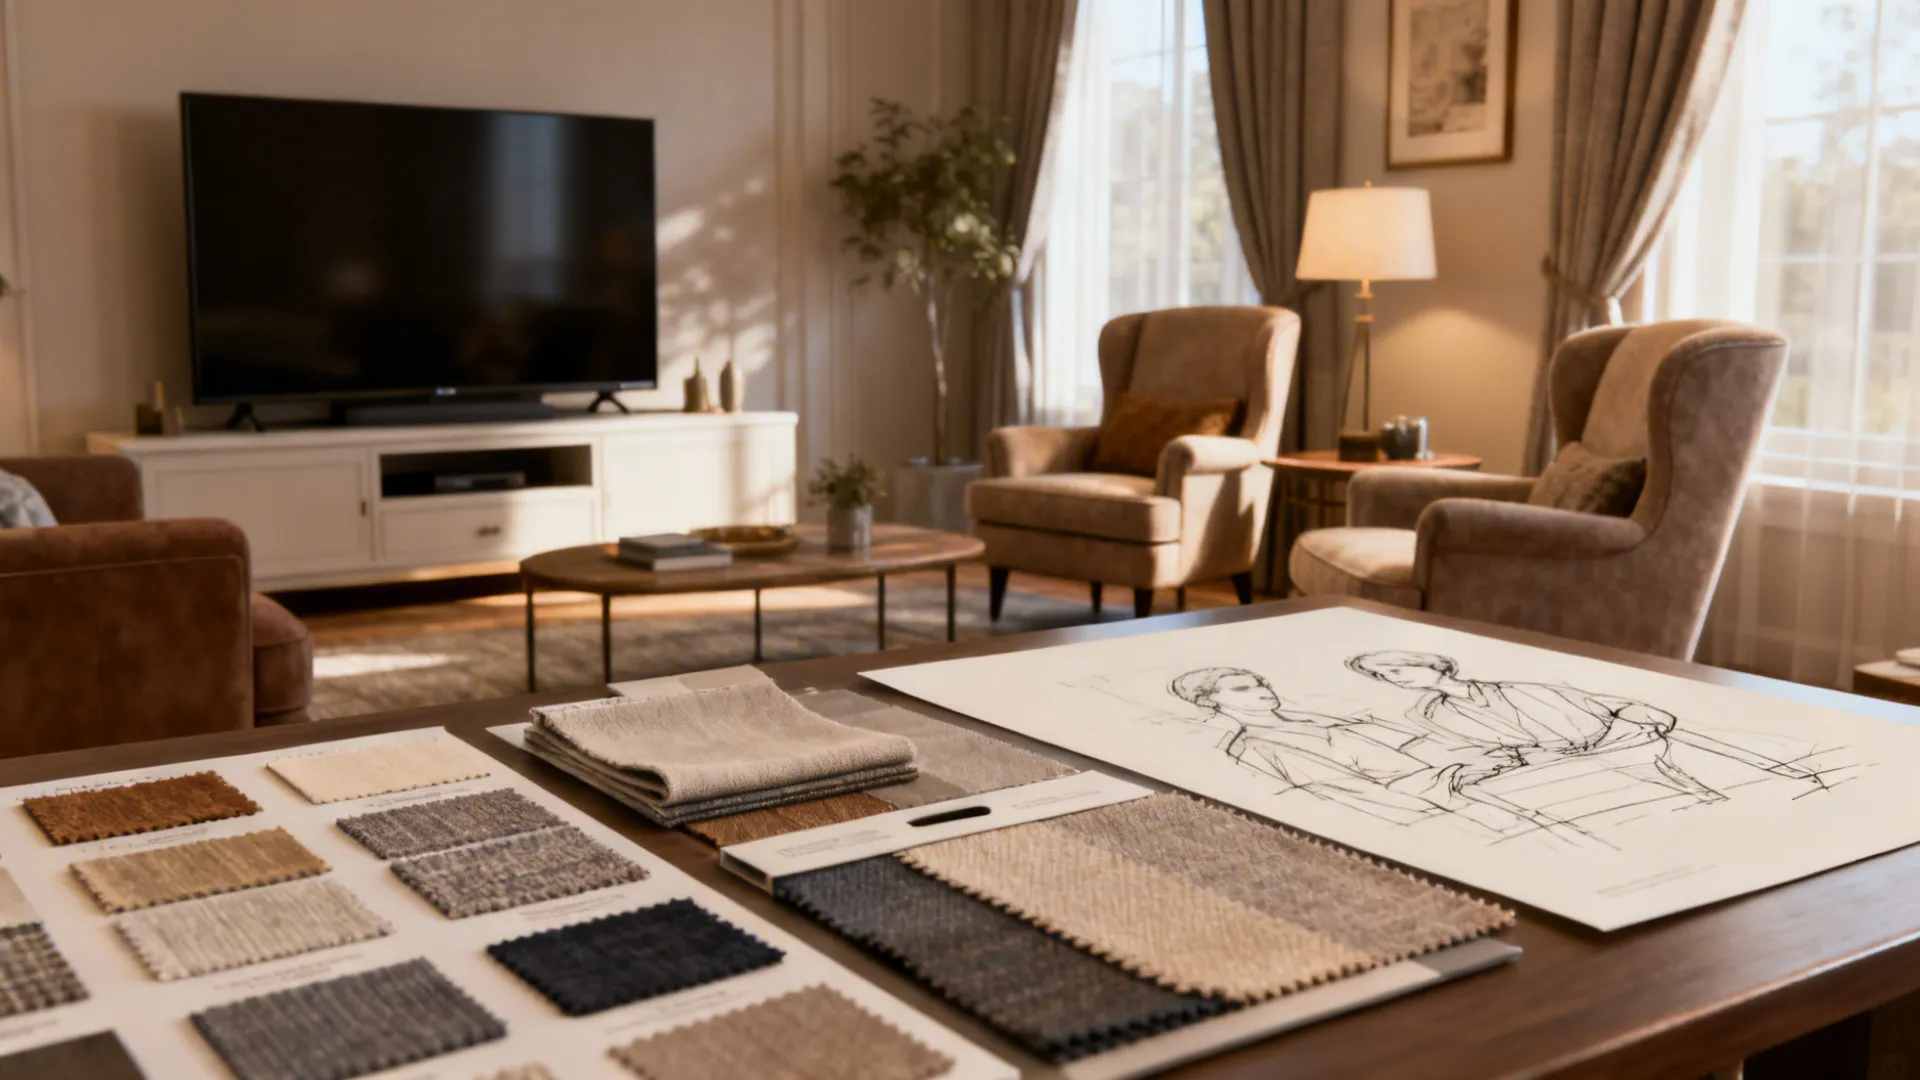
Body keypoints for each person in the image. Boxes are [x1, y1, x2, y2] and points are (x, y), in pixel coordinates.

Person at [1344, 651, 1828, 802]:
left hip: (1619, 738)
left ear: (1433, 665)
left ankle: (1759, 787)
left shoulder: (1514, 683)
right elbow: (1496, 751)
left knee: (1669, 758)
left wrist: (1631, 721)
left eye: (1399, 669)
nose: (1395, 680)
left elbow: (1607, 703)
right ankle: (1706, 793)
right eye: (1385, 677)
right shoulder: (1430, 715)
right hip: (1561, 761)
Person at [1167, 666, 1533, 832]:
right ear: (1209, 702)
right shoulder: (1255, 747)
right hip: (1443, 805)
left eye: (1259, 683)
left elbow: (1411, 742)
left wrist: (1470, 756)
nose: (1263, 691)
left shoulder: (1317, 719)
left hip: (1472, 778)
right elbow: (1352, 790)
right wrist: (1455, 778)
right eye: (1242, 690)